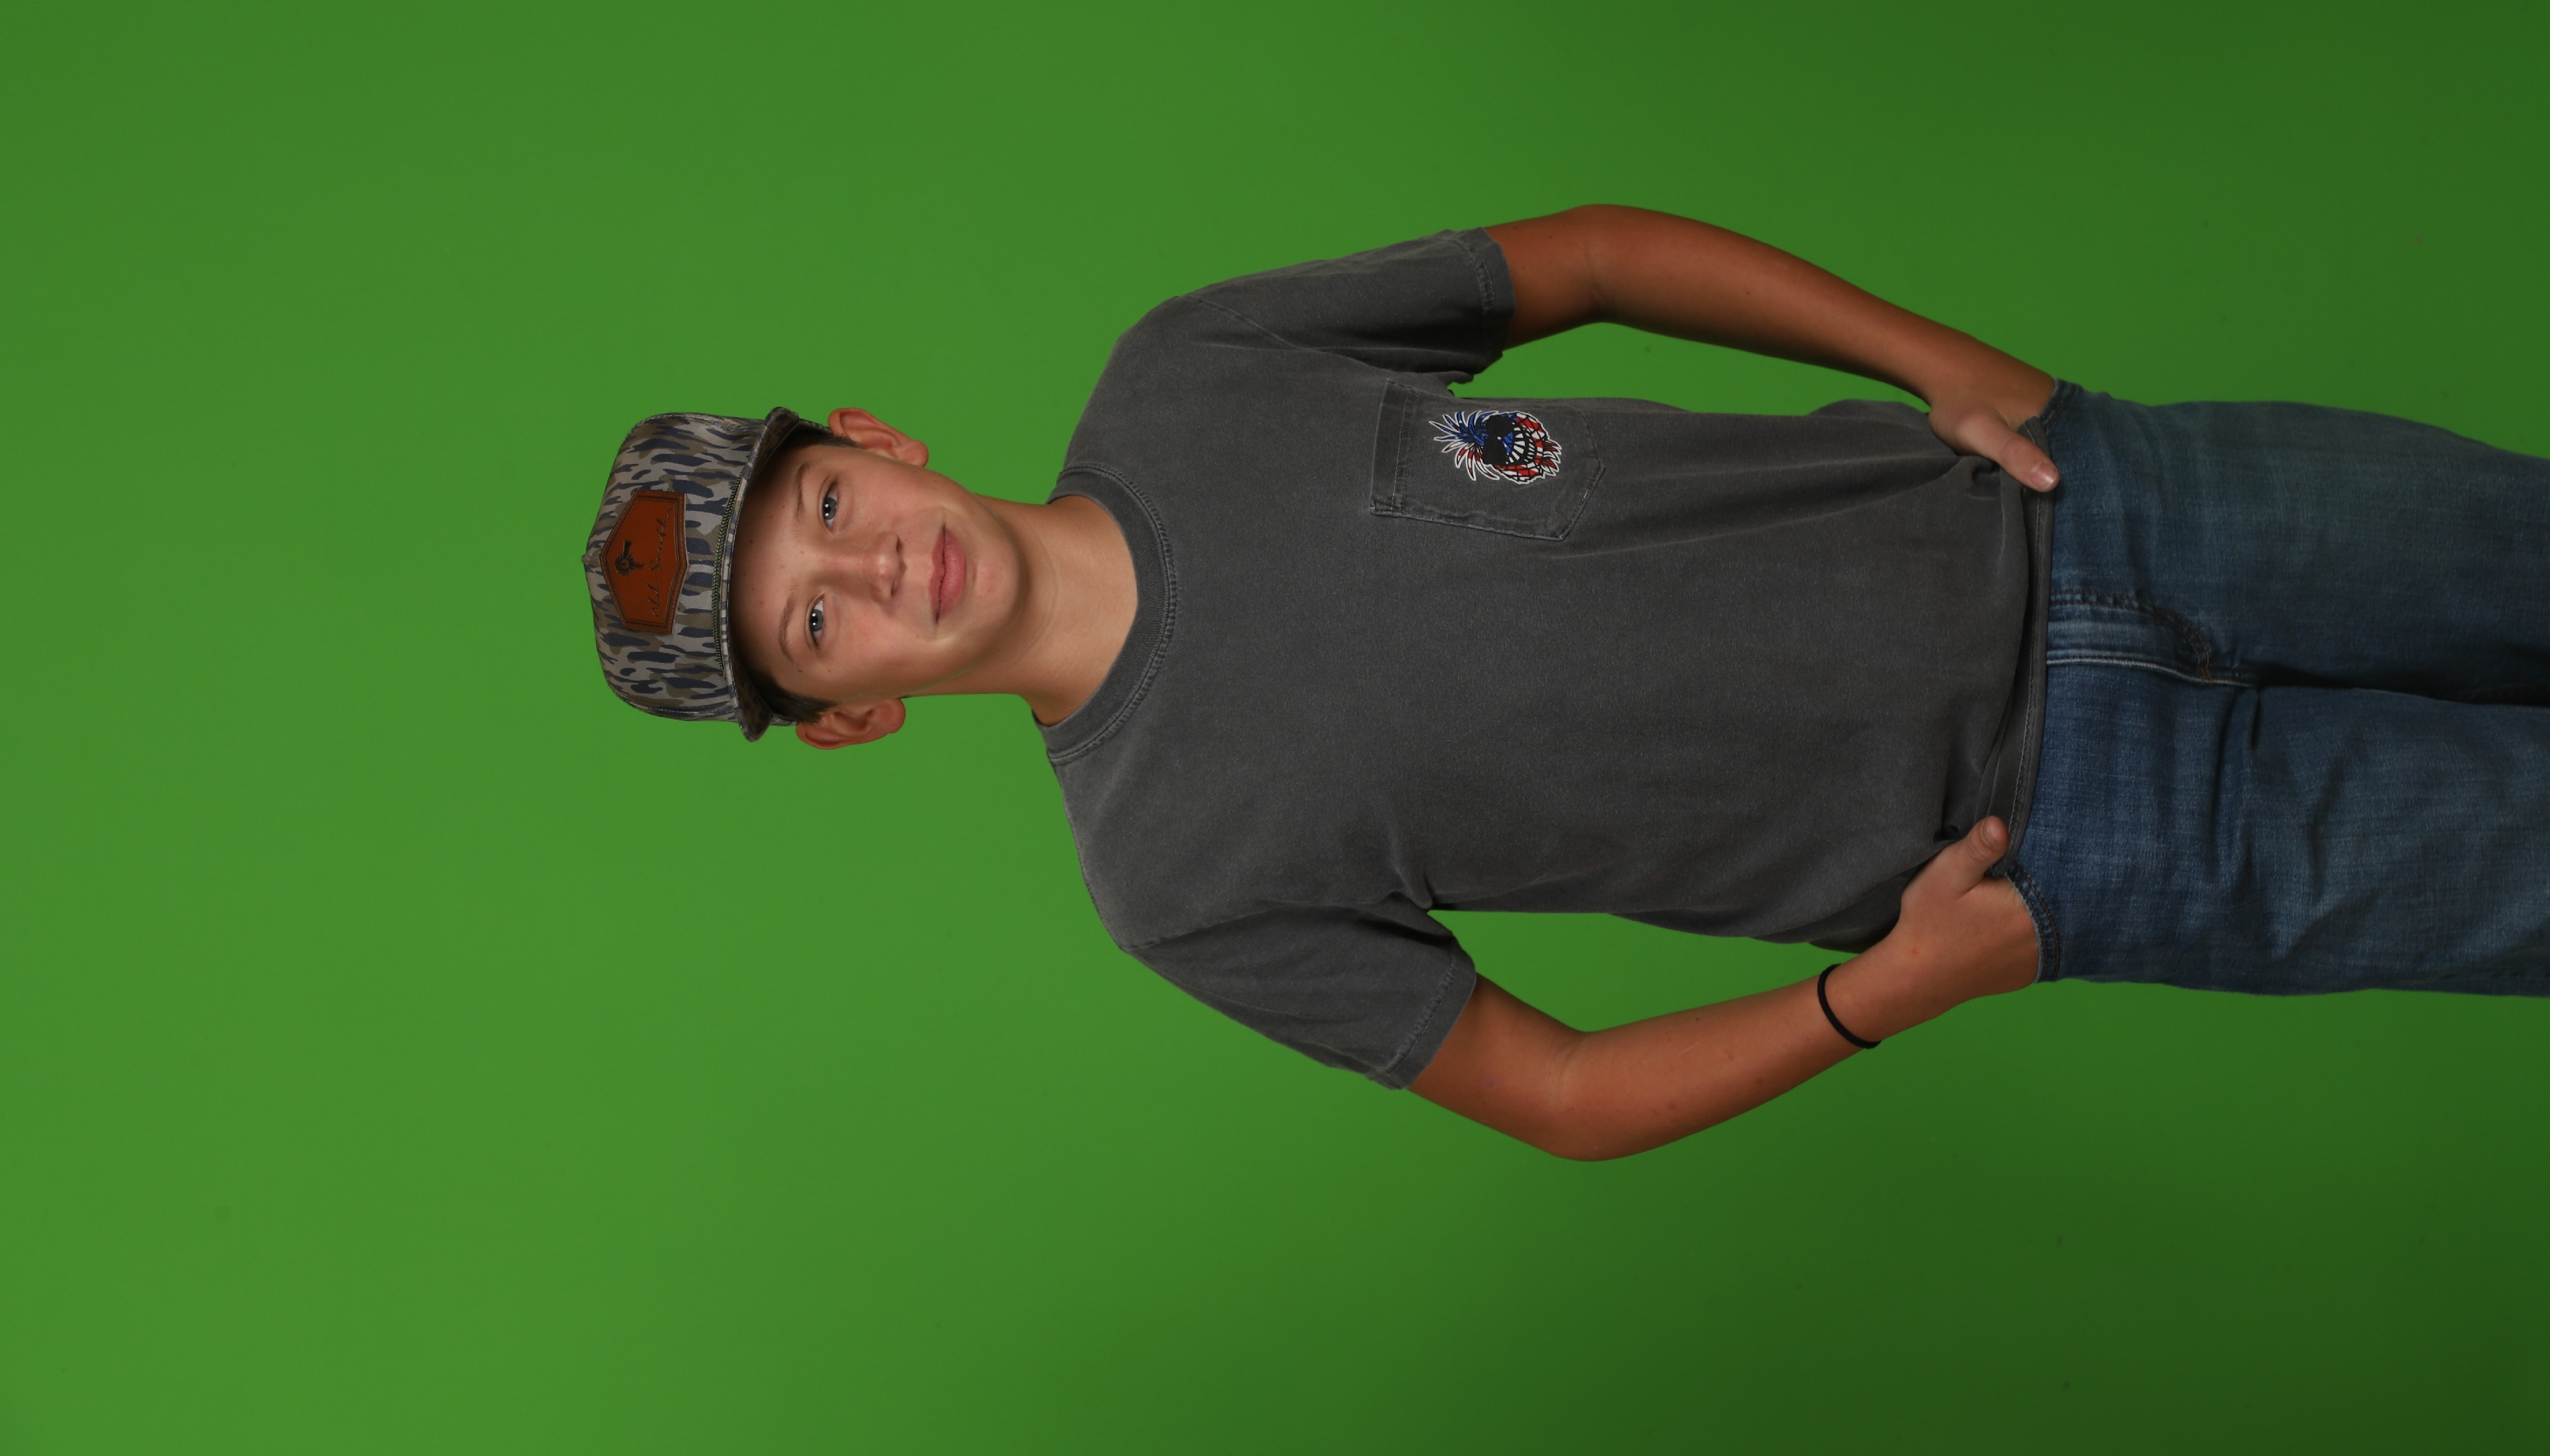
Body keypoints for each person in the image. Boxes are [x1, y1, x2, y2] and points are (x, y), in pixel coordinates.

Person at [583, 206, 2550, 1159]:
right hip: (2081, 836)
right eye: (815, 625)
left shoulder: (1190, 371)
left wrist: (1936, 360)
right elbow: (1561, 1092)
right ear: (850, 715)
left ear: (874, 440)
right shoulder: (1173, 878)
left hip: (2102, 507)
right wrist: (1879, 997)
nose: (871, 567)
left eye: (826, 506)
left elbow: (1589, 256)